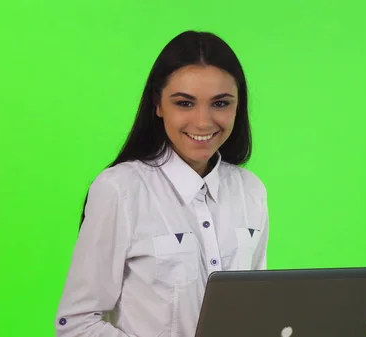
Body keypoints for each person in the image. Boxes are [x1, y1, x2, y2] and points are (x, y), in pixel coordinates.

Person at [55, 30, 269, 337]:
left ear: (238, 106)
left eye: (220, 103)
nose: (203, 122)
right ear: (158, 105)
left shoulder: (251, 191)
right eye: (184, 103)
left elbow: (259, 307)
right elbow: (76, 324)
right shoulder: (120, 190)